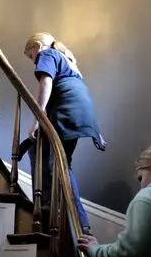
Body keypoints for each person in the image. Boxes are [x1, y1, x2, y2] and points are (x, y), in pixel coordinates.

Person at [23, 32, 106, 232]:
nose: (33, 61)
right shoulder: (70, 66)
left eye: (30, 55)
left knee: (58, 165)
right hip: (79, 114)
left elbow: (46, 83)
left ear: (38, 46)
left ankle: (77, 221)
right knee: (40, 151)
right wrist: (96, 131)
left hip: (66, 112)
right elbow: (79, 98)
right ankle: (50, 205)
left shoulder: (48, 54)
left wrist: (38, 117)